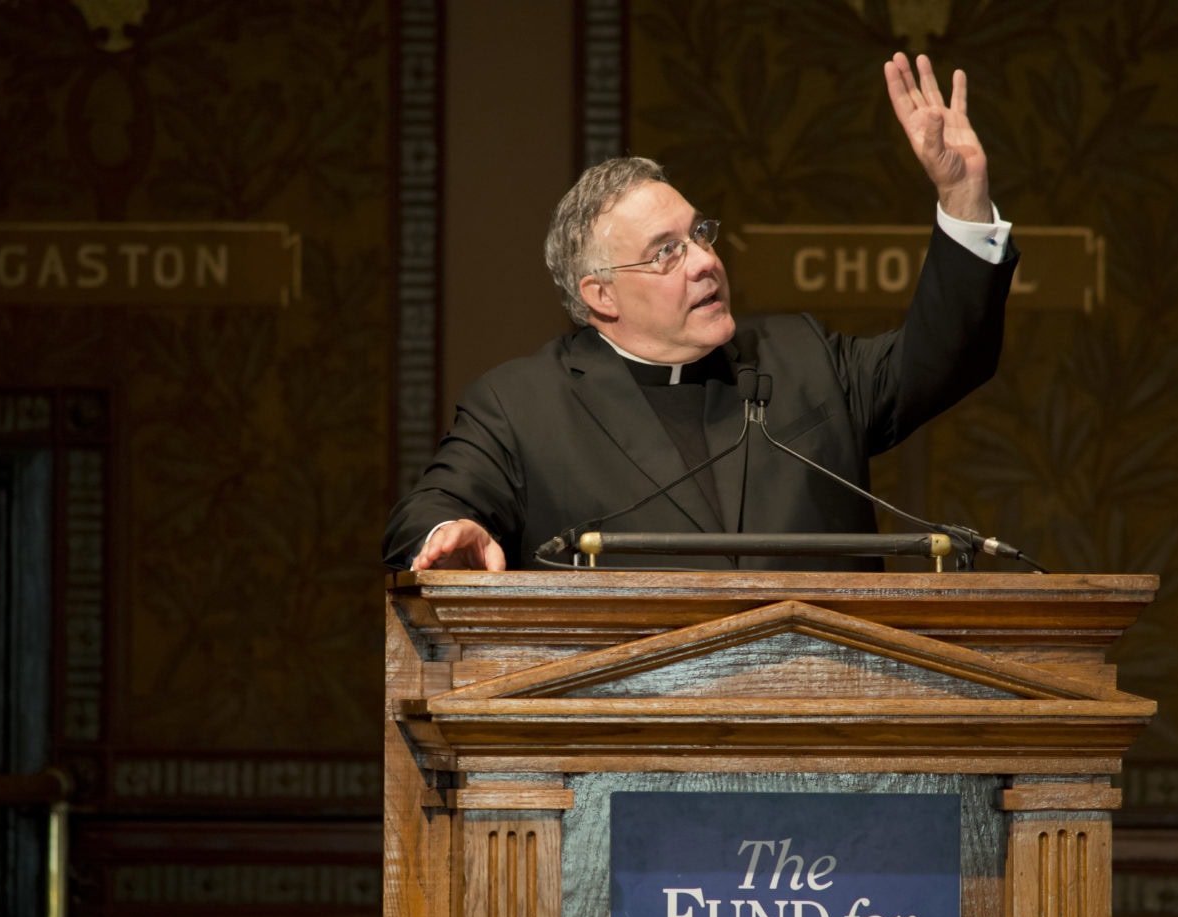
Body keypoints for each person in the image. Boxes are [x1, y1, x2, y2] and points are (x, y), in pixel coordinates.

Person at [383, 53, 1018, 572]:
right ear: (600, 296)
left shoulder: (802, 358)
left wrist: (963, 197)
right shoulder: (521, 408)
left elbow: (947, 356)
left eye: (699, 235)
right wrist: (451, 532)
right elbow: (432, 509)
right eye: (666, 253)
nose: (703, 261)